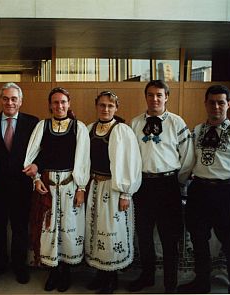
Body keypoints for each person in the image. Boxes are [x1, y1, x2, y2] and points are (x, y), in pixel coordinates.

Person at [128, 80, 194, 293]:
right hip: (143, 186)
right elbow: (130, 157)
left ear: (167, 97)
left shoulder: (176, 122)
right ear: (145, 97)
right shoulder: (135, 123)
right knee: (144, 235)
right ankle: (147, 277)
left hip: (168, 186)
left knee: (169, 238)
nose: (154, 99)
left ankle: (170, 284)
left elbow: (187, 158)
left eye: (159, 95)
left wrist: (178, 182)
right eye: (150, 95)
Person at [23, 87, 90, 292]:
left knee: (68, 228)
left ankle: (66, 272)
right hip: (48, 184)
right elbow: (32, 155)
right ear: (50, 105)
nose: (59, 106)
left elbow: (83, 158)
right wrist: (35, 178)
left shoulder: (79, 128)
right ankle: (53, 271)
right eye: (55, 102)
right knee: (48, 228)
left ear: (69, 104)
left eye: (63, 102)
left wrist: (81, 187)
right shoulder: (42, 126)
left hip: (70, 183)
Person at [0, 82, 38, 284]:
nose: (10, 102)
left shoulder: (33, 123)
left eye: (14, 98)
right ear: (0, 100)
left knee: (21, 228)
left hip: (22, 186)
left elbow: (42, 149)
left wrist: (37, 165)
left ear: (20, 101)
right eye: (6, 98)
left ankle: (20, 266)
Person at [177, 85, 230, 294]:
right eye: (212, 102)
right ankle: (202, 283)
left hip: (227, 192)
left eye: (221, 102)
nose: (216, 106)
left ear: (229, 104)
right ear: (205, 104)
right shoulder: (197, 130)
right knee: (199, 240)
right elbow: (189, 162)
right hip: (199, 190)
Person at [84, 91, 142, 293]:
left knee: (111, 232)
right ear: (96, 106)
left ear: (116, 108)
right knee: (95, 231)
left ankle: (112, 277)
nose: (106, 109)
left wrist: (126, 193)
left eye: (110, 105)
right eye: (102, 105)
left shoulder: (122, 130)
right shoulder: (90, 129)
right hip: (94, 187)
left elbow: (130, 162)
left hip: (114, 189)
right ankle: (100, 275)